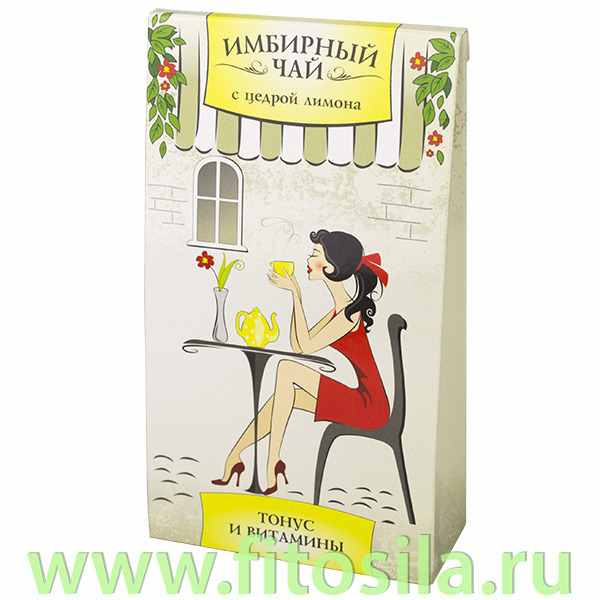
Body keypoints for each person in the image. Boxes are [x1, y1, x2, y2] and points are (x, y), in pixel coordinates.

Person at [211, 229, 390, 495]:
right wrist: (295, 295)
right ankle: (235, 456)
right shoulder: (339, 310)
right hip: (359, 399)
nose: (308, 259)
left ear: (331, 267)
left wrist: (297, 295)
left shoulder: (350, 314)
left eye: (315, 254)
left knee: (286, 369)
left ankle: (272, 461)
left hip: (368, 406)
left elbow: (304, 347)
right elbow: (299, 345)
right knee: (283, 397)